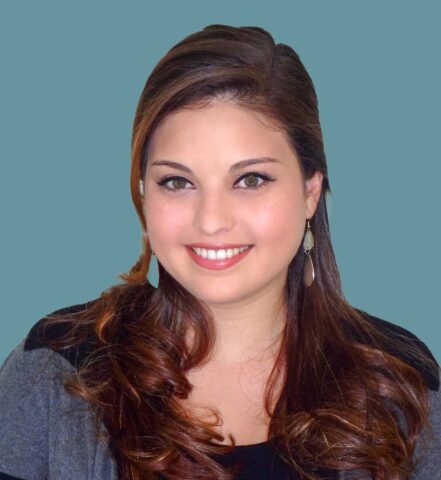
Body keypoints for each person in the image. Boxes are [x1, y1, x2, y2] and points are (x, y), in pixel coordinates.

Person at [0, 24, 439, 480]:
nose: (211, 220)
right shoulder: (55, 370)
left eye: (250, 180)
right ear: (144, 193)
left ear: (311, 191)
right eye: (177, 181)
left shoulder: (402, 384)